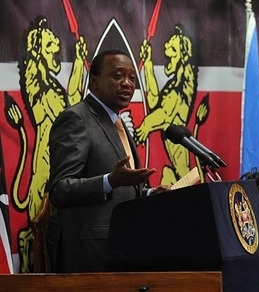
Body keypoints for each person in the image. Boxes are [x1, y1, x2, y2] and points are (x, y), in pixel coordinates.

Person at [46, 50, 169, 272]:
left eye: (132, 78)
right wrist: (109, 181)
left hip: (123, 247)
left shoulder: (116, 122)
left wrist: (150, 194)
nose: (127, 84)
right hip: (90, 255)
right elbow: (60, 189)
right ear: (94, 82)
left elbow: (123, 190)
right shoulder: (76, 119)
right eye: (118, 76)